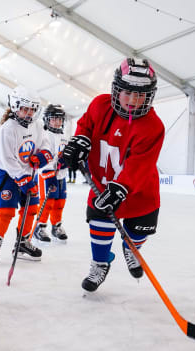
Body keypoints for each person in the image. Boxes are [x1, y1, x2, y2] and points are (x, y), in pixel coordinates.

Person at [63, 57, 164, 293]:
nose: (133, 100)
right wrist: (80, 140)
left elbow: (141, 164)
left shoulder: (153, 126)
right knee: (99, 223)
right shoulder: (100, 105)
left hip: (140, 192)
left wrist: (122, 187)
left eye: (140, 95)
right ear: (116, 89)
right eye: (127, 93)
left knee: (135, 234)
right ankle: (100, 263)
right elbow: (85, 125)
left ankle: (131, 249)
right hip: (103, 183)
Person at [0, 86, 53, 262]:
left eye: (32, 109)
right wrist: (23, 179)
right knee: (6, 211)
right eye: (25, 109)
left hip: (28, 173)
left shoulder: (38, 126)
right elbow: (7, 159)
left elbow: (46, 146)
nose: (29, 113)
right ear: (15, 107)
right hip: (8, 175)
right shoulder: (7, 129)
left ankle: (22, 242)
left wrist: (41, 157)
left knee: (30, 209)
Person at [32, 104, 70, 243]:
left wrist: (68, 161)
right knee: (47, 201)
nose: (57, 122)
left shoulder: (64, 136)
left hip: (61, 174)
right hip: (47, 174)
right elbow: (44, 154)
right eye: (54, 119)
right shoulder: (44, 135)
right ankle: (39, 227)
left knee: (60, 202)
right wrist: (53, 165)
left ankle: (56, 226)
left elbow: (65, 153)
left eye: (59, 119)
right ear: (47, 120)